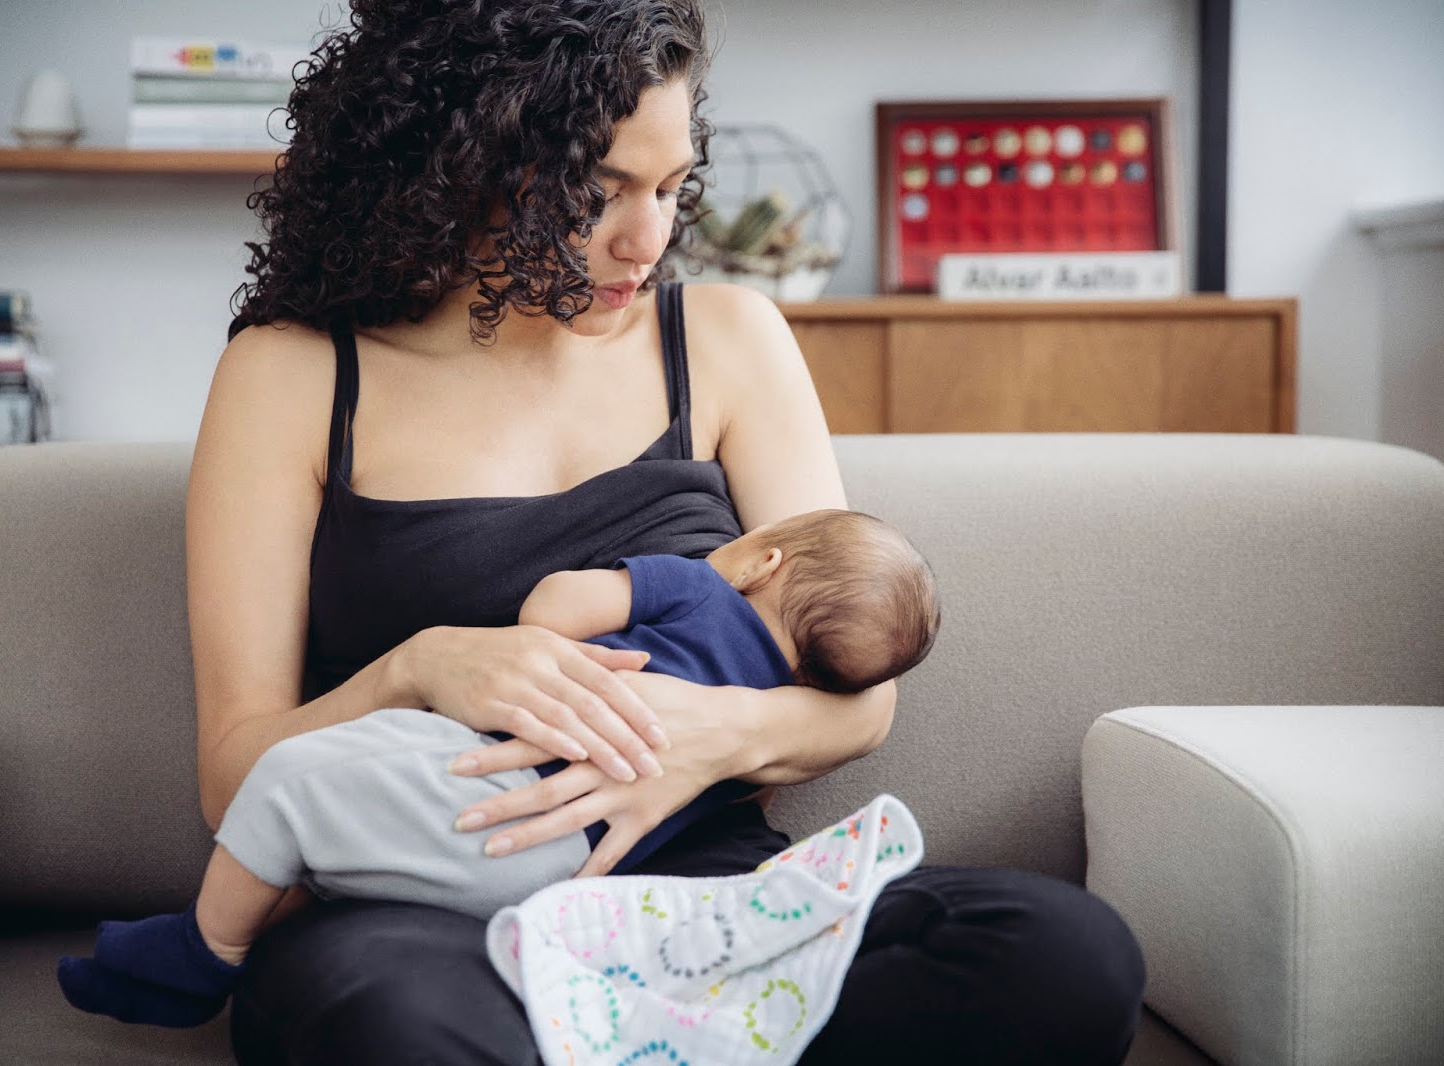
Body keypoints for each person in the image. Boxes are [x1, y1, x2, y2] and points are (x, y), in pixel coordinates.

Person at [182, 1, 1147, 1062]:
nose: (646, 241)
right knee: (385, 1027)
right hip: (427, 921)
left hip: (704, 902)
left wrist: (704, 739)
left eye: (670, 186)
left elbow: (860, 696)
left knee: (1064, 955)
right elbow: (236, 776)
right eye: (596, 194)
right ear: (454, 166)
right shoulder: (293, 373)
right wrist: (416, 669)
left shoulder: (726, 341)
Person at [56, 508, 941, 1027]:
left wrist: (655, 587)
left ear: (765, 558)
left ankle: (206, 948)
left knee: (292, 780)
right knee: (343, 840)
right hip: (575, 870)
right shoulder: (782, 689)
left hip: (502, 782)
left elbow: (553, 607)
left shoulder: (702, 586)